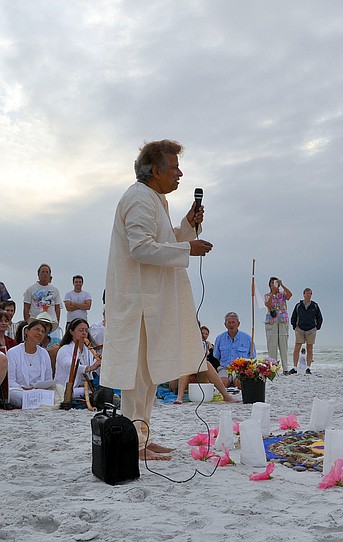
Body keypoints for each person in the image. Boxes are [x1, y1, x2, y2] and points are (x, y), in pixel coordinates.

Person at [101, 139, 213, 461]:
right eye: (174, 167)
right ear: (156, 170)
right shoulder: (138, 198)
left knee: (148, 377)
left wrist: (186, 227)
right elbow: (141, 248)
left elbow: (165, 243)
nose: (180, 173)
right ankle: (134, 445)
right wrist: (187, 249)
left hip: (152, 303)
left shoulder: (156, 200)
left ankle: (142, 439)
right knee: (136, 379)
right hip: (138, 304)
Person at [5, 319, 55, 408]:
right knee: (14, 394)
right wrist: (25, 389)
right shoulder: (13, 352)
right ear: (26, 331)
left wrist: (37, 389)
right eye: (37, 329)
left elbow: (48, 379)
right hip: (20, 391)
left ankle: (37, 402)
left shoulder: (44, 353)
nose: (39, 333)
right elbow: (11, 381)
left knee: (58, 391)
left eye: (43, 332)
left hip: (39, 391)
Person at [54, 319, 100, 399]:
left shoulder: (89, 350)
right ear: (71, 332)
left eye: (86, 331)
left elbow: (94, 370)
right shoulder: (65, 349)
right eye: (81, 330)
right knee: (94, 393)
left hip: (86, 386)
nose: (84, 333)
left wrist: (98, 361)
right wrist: (89, 368)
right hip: (67, 389)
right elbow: (69, 366)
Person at [213, 312, 255, 387]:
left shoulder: (248, 338)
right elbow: (216, 356)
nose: (231, 325)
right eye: (229, 322)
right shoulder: (219, 338)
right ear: (225, 324)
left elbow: (252, 357)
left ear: (238, 324)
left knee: (239, 383)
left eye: (233, 322)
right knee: (222, 384)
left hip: (241, 369)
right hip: (225, 368)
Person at [290, 288, 322, 375]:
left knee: (310, 348)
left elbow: (319, 318)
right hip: (299, 329)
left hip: (311, 329)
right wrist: (295, 327)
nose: (308, 295)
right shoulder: (298, 306)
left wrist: (316, 327)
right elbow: (293, 317)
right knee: (297, 348)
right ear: (303, 294)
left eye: (310, 293)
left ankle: (308, 368)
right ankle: (295, 367)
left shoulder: (314, 306)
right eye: (307, 293)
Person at [264, 277, 293, 371]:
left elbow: (289, 295)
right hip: (272, 321)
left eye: (275, 283)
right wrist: (273, 292)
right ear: (269, 285)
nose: (274, 284)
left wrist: (282, 285)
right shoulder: (267, 295)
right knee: (272, 345)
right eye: (272, 283)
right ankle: (273, 368)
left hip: (282, 320)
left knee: (283, 345)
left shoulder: (282, 295)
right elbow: (268, 304)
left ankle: (285, 368)